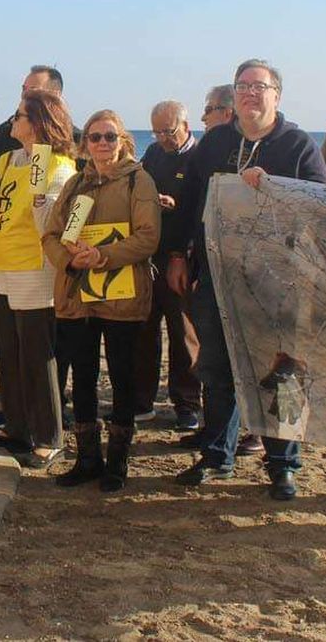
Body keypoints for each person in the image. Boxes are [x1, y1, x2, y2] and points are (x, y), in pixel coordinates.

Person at [171, 59, 326, 500]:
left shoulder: (297, 145)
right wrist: (177, 254)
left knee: (283, 374)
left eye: (260, 87)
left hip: (280, 284)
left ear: (277, 95)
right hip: (219, 276)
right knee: (217, 370)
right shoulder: (217, 140)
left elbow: (320, 203)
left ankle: (283, 465)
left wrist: (274, 186)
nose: (250, 94)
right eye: (243, 86)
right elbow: (189, 201)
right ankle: (216, 456)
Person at [44, 110, 161, 492]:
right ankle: (87, 458)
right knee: (82, 379)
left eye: (110, 137)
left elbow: (147, 237)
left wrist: (102, 256)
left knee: (123, 378)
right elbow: (51, 235)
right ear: (85, 143)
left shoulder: (138, 181)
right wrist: (69, 259)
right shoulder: (75, 184)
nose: (102, 144)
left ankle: (117, 462)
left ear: (123, 140)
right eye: (95, 137)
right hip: (78, 297)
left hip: (122, 297)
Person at [0, 89, 79, 469]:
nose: (12, 122)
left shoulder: (60, 167)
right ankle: (17, 426)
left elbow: (54, 224)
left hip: (34, 270)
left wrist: (43, 201)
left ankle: (50, 437)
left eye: (19, 116)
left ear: (37, 122)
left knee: (38, 355)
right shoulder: (6, 160)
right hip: (2, 264)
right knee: (8, 351)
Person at [136, 100, 203, 430]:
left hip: (183, 256)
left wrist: (175, 205)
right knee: (145, 330)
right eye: (157, 131)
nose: (163, 137)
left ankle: (187, 403)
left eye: (169, 131)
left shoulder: (199, 158)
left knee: (183, 332)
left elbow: (201, 211)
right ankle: (142, 400)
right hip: (151, 253)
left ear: (186, 126)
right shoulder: (153, 153)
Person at [0, 65, 65, 198]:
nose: (25, 94)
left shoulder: (79, 139)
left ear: (55, 95)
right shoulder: (6, 132)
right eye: (24, 89)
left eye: (33, 90)